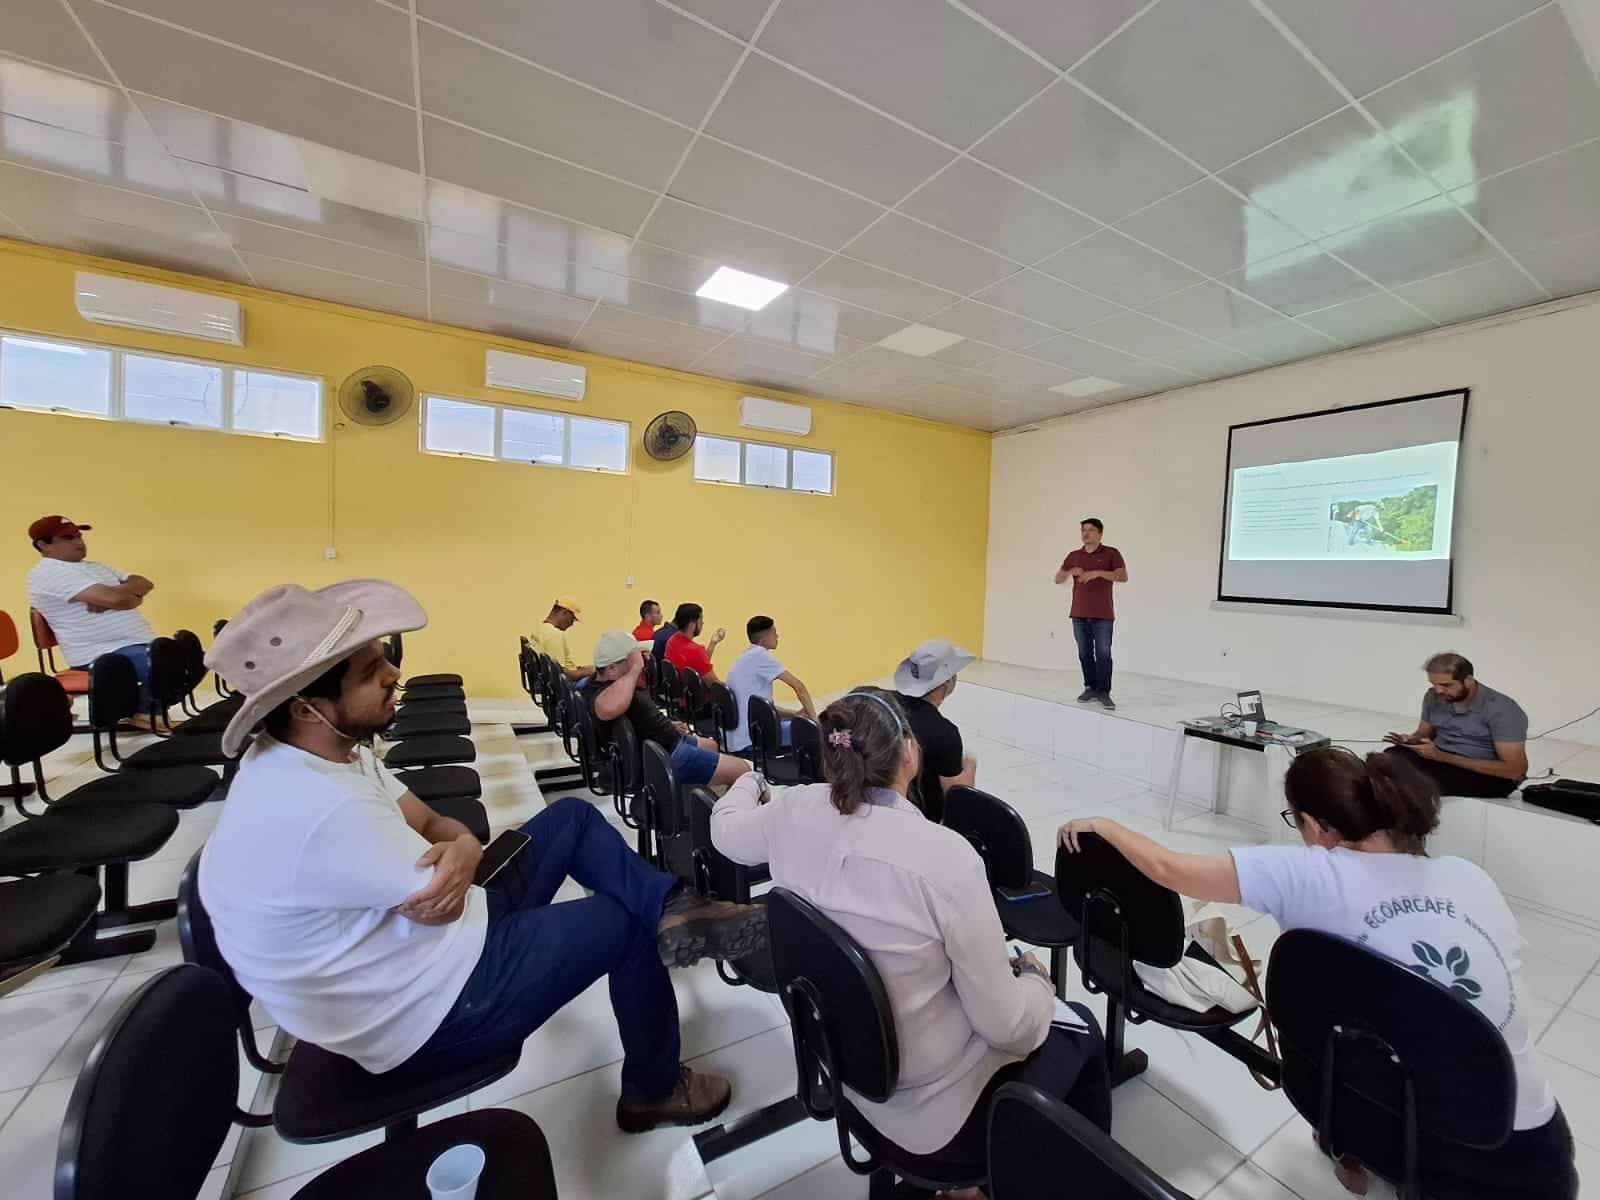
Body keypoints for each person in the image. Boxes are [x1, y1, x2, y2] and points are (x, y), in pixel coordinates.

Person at [199, 582, 767, 1134]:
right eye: (372, 672)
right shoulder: (314, 809)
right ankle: (655, 1089)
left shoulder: (329, 752)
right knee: (619, 924)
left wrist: (465, 846)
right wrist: (457, 854)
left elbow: (430, 823)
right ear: (306, 707)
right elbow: (439, 900)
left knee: (571, 819)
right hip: (427, 1011)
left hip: (439, 936)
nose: (395, 673)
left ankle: (676, 908)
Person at [1057, 747, 1575, 1200]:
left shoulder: (1304, 871)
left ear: (1314, 825)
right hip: (1530, 1153)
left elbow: (1168, 870)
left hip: (1378, 1121)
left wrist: (1100, 824)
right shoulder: (1470, 878)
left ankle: (1354, 1152)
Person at [713, 688, 1111, 1184]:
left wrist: (748, 781)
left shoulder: (794, 809)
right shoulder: (944, 856)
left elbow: (724, 834)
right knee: (1082, 1030)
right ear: (909, 752)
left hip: (840, 1072)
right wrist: (1037, 984)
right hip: (935, 1120)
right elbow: (1006, 1026)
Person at [25, 514, 158, 714]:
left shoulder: (96, 567)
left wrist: (121, 596)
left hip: (135, 645)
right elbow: (119, 600)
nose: (78, 542)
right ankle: (140, 712)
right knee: (166, 665)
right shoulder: (48, 573)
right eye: (69, 538)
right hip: (102, 654)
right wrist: (128, 596)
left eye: (79, 536)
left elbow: (145, 583)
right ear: (44, 545)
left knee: (200, 659)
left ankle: (140, 711)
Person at [585, 631, 752, 788]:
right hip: (666, 755)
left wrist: (669, 724)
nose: (643, 661)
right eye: (636, 658)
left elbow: (639, 717)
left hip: (669, 740)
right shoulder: (602, 692)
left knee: (713, 745)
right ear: (612, 669)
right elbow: (606, 709)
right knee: (743, 770)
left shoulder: (618, 683)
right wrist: (635, 669)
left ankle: (703, 803)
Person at [1384, 653, 1527, 799]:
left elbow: (1515, 770)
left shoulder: (1502, 709)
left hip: (1486, 773)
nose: (1438, 690)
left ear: (1468, 680)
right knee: (1385, 761)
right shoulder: (1433, 696)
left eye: (1446, 685)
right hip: (1440, 758)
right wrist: (1411, 740)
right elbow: (1423, 733)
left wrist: (1442, 757)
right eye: (1434, 684)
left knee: (1418, 782)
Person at [893, 639, 977, 824]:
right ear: (947, 683)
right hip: (920, 822)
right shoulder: (944, 733)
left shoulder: (885, 704)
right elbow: (960, 801)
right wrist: (970, 766)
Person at [1054, 517, 1127, 710]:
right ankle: (1090, 687)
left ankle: (1104, 692)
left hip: (1103, 614)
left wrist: (1098, 573)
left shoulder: (1111, 553)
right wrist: (1070, 572)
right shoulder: (1074, 556)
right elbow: (1058, 579)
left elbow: (1122, 576)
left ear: (1100, 533)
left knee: (1103, 654)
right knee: (1084, 653)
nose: (1086, 533)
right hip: (1078, 614)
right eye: (1083, 530)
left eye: (1091, 530)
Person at [726, 615, 817, 755]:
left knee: (798, 724)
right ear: (764, 638)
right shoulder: (761, 656)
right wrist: (815, 722)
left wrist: (794, 714)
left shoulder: (744, 657)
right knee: (812, 733)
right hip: (752, 741)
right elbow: (799, 687)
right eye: (774, 633)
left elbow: (763, 708)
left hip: (738, 739)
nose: (777, 636)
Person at [531, 595, 593, 682]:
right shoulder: (554, 635)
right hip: (563, 686)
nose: (572, 624)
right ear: (564, 613)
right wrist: (585, 672)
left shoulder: (540, 629)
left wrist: (580, 669)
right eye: (573, 619)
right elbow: (560, 675)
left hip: (546, 683)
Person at [665, 602, 725, 683]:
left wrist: (712, 643)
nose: (703, 623)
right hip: (697, 694)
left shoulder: (672, 640)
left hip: (678, 693)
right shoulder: (695, 651)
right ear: (692, 624)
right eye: (701, 620)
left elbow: (700, 664)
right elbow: (715, 685)